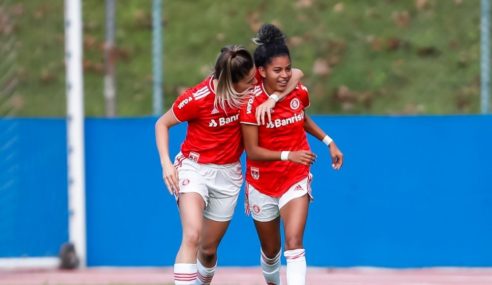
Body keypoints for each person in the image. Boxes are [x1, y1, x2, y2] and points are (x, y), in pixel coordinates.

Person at [155, 44, 303, 285]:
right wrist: (166, 164)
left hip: (228, 175)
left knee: (208, 249)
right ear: (230, 83)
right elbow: (162, 123)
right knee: (192, 235)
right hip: (194, 168)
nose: (255, 86)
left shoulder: (252, 84)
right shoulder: (198, 98)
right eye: (248, 83)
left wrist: (273, 98)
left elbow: (295, 74)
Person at [240, 24, 344, 285]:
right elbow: (252, 151)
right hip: (261, 182)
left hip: (294, 176)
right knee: (271, 252)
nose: (285, 75)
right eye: (277, 70)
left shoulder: (297, 92)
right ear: (261, 72)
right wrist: (288, 154)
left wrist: (328, 141)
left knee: (295, 242)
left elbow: (302, 118)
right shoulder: (251, 102)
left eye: (287, 68)